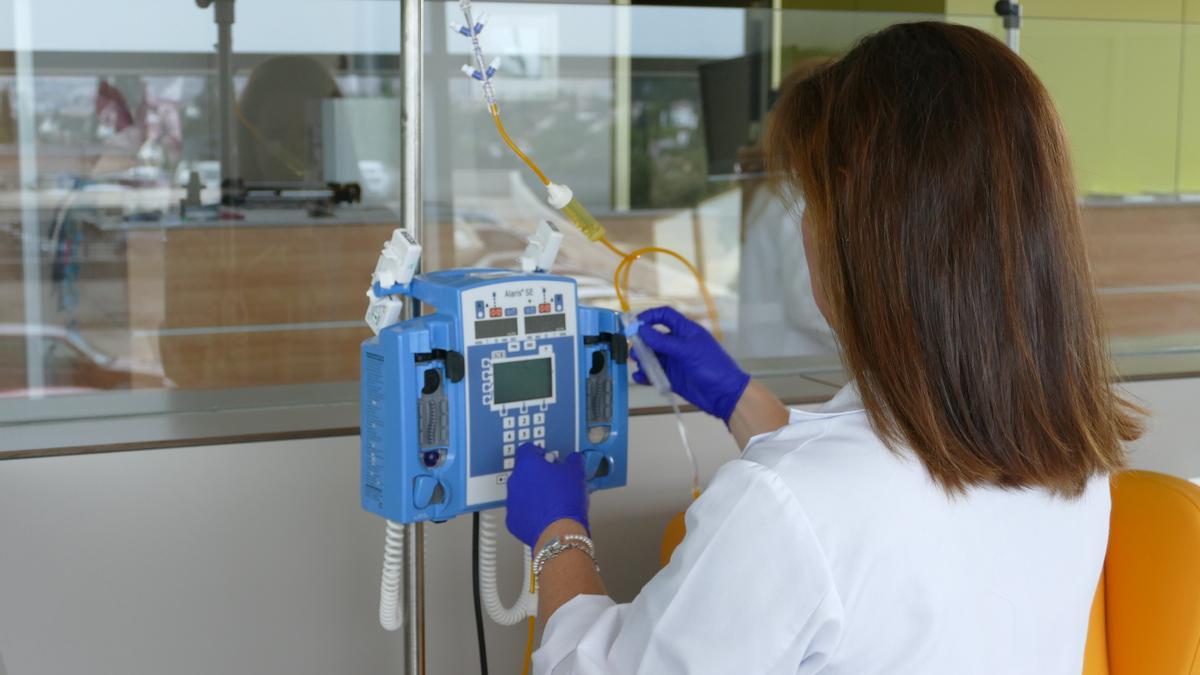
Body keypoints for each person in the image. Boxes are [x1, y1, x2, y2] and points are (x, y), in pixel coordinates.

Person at [504, 22, 1144, 674]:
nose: (805, 225)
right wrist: (738, 397)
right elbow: (882, 491)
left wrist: (559, 534)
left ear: (868, 237)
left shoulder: (785, 508)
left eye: (812, 200)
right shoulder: (1073, 462)